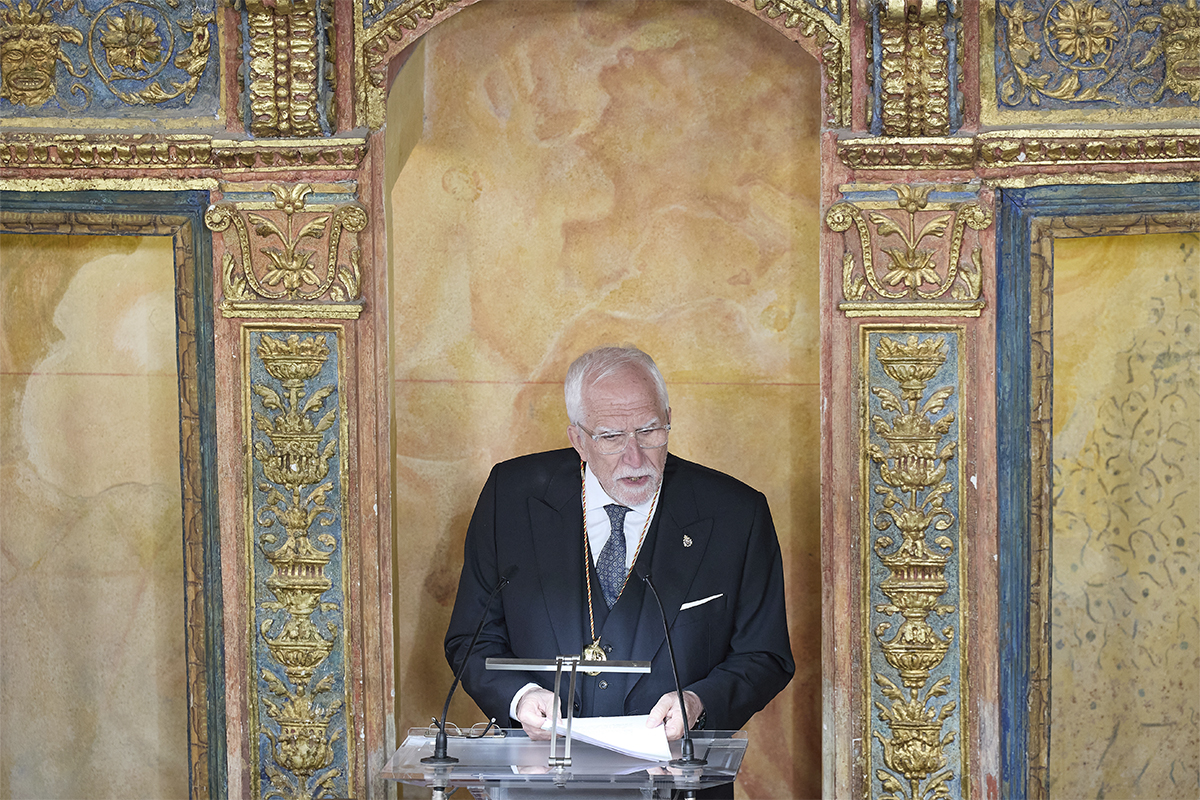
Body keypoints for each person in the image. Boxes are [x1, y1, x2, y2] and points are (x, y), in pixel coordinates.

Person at [444, 345, 794, 746]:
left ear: (668, 421)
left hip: (676, 778)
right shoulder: (510, 497)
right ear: (578, 438)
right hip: (539, 775)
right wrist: (519, 697)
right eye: (611, 436)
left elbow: (765, 655)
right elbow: (471, 639)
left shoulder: (737, 513)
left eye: (649, 431)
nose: (634, 456)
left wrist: (699, 701)